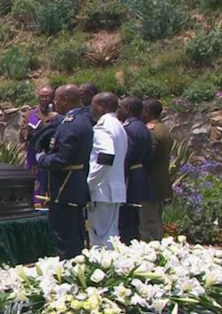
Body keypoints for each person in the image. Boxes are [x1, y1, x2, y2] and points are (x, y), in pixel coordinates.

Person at [37, 84, 93, 259]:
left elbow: (62, 158)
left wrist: (42, 159)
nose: (55, 104)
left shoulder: (70, 124)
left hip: (65, 185)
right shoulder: (84, 120)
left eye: (57, 100)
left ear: (65, 100)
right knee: (75, 231)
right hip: (75, 183)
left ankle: (68, 273)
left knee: (65, 234)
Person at [86, 92, 127, 248]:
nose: (91, 109)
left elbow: (106, 157)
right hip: (113, 189)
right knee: (111, 234)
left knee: (101, 239)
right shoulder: (117, 125)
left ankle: (105, 270)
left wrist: (89, 183)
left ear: (102, 107)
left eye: (93, 106)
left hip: (102, 190)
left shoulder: (103, 127)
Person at [117, 96, 155, 243]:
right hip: (139, 173)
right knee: (133, 217)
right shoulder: (142, 127)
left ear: (128, 109)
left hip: (130, 178)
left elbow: (127, 156)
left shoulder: (129, 129)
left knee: (127, 219)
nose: (118, 111)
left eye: (120, 108)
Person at [139, 99, 174, 241]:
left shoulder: (152, 130)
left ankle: (151, 249)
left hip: (150, 181)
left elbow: (148, 156)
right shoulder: (163, 128)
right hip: (160, 181)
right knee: (155, 218)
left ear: (148, 111)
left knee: (148, 220)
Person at [21, 86, 58, 206]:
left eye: (47, 96)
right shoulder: (31, 114)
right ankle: (35, 203)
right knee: (35, 181)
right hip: (35, 153)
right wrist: (28, 132)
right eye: (42, 96)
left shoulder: (58, 114)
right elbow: (22, 133)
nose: (44, 99)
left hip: (54, 153)